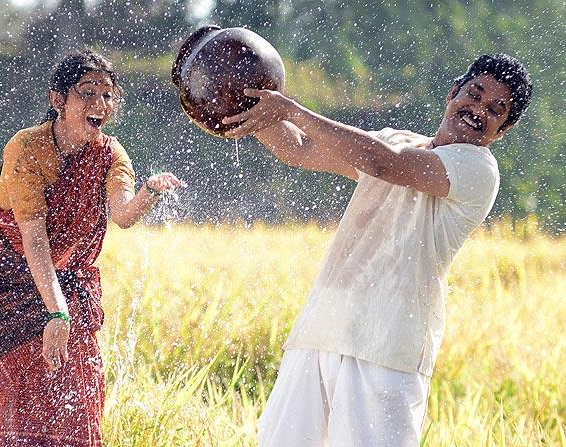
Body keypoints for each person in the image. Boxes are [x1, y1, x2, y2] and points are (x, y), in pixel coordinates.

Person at [223, 53, 532, 446]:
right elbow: (299, 148)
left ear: (501, 130)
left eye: (494, 110)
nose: (478, 110)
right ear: (453, 91)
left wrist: (291, 109)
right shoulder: (396, 142)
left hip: (387, 349)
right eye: (474, 94)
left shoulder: (477, 170)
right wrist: (242, 106)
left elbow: (384, 163)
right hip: (321, 331)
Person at [0, 50, 183, 446]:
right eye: (87, 93)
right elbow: (34, 237)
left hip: (68, 290)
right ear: (58, 100)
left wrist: (150, 190)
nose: (100, 104)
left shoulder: (111, 154)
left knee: (77, 403)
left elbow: (124, 214)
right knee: (6, 403)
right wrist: (55, 311)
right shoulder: (26, 148)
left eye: (108, 96)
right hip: (3, 292)